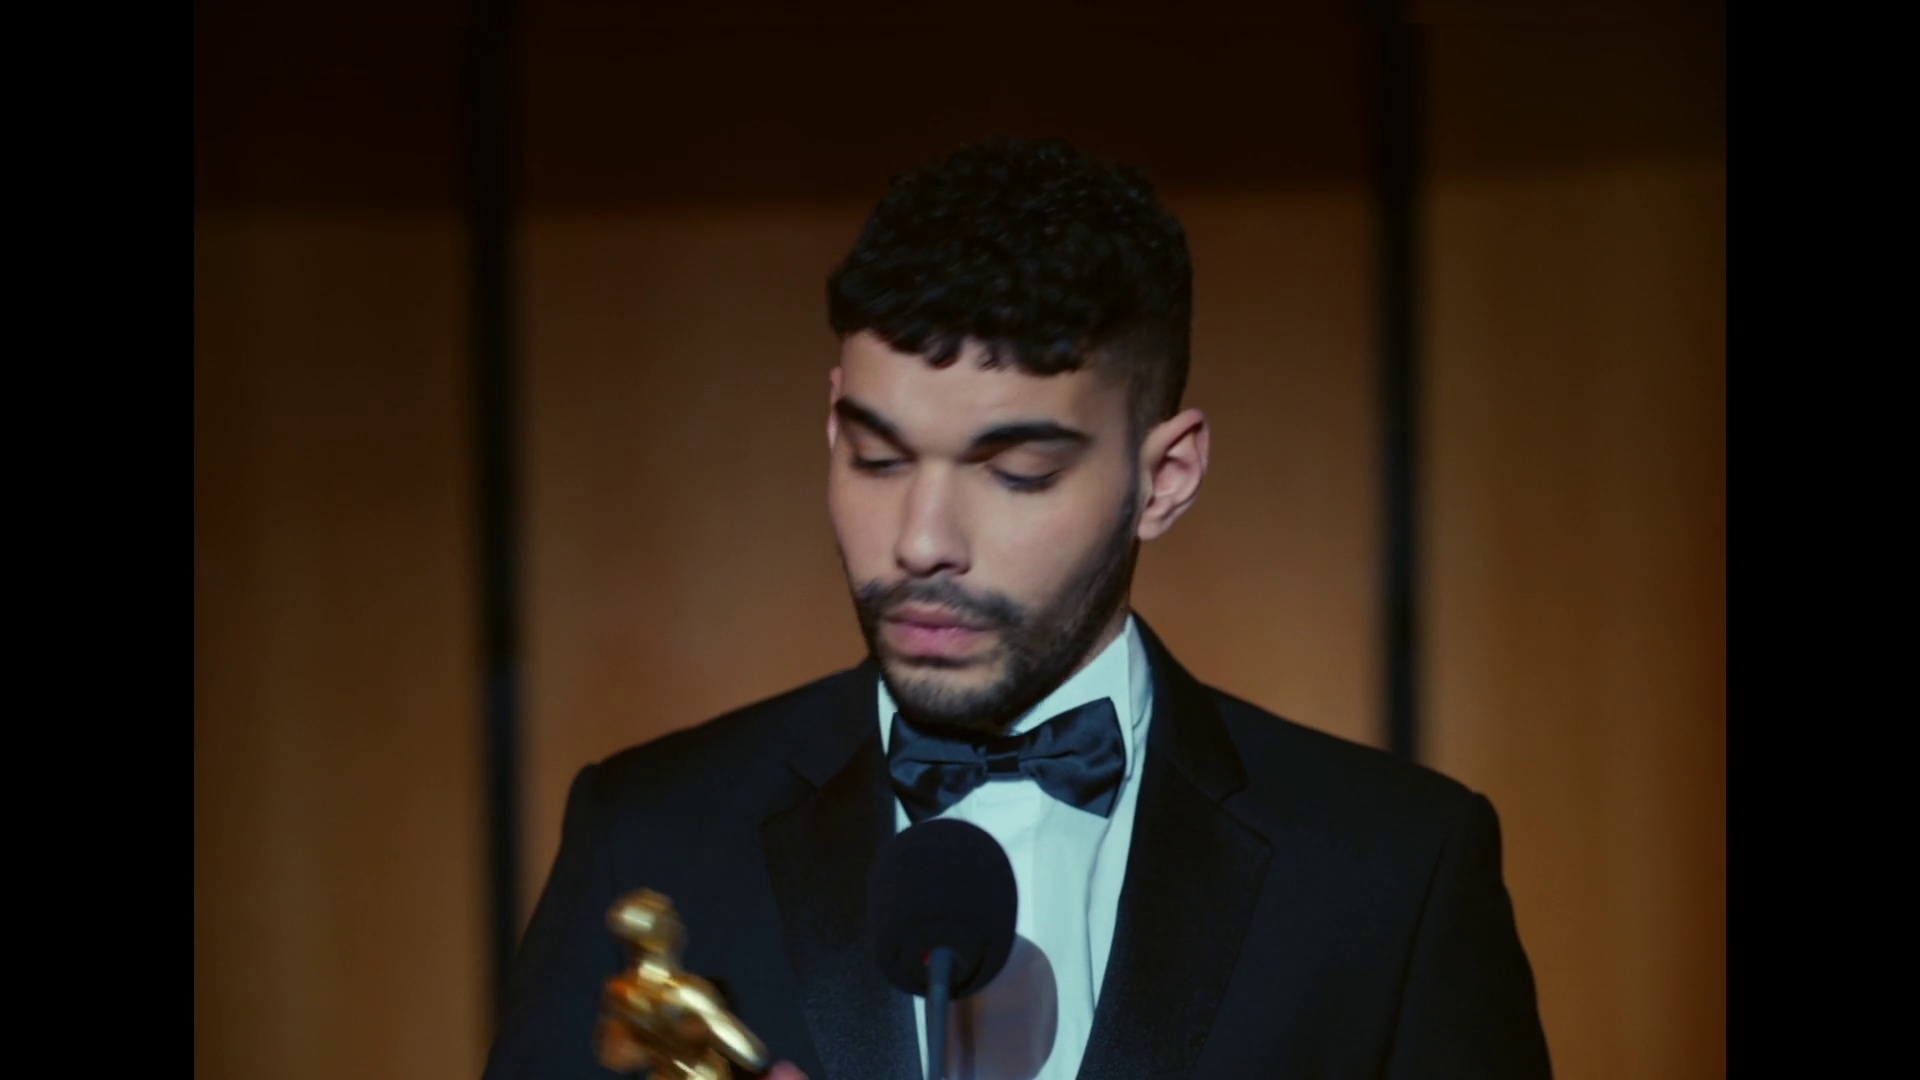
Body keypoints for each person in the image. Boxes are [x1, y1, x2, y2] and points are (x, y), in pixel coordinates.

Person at [482, 136, 1551, 1080]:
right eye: (877, 457)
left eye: (1017, 472)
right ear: (832, 426)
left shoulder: (1395, 870)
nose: (921, 541)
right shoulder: (649, 834)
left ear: (1165, 477)